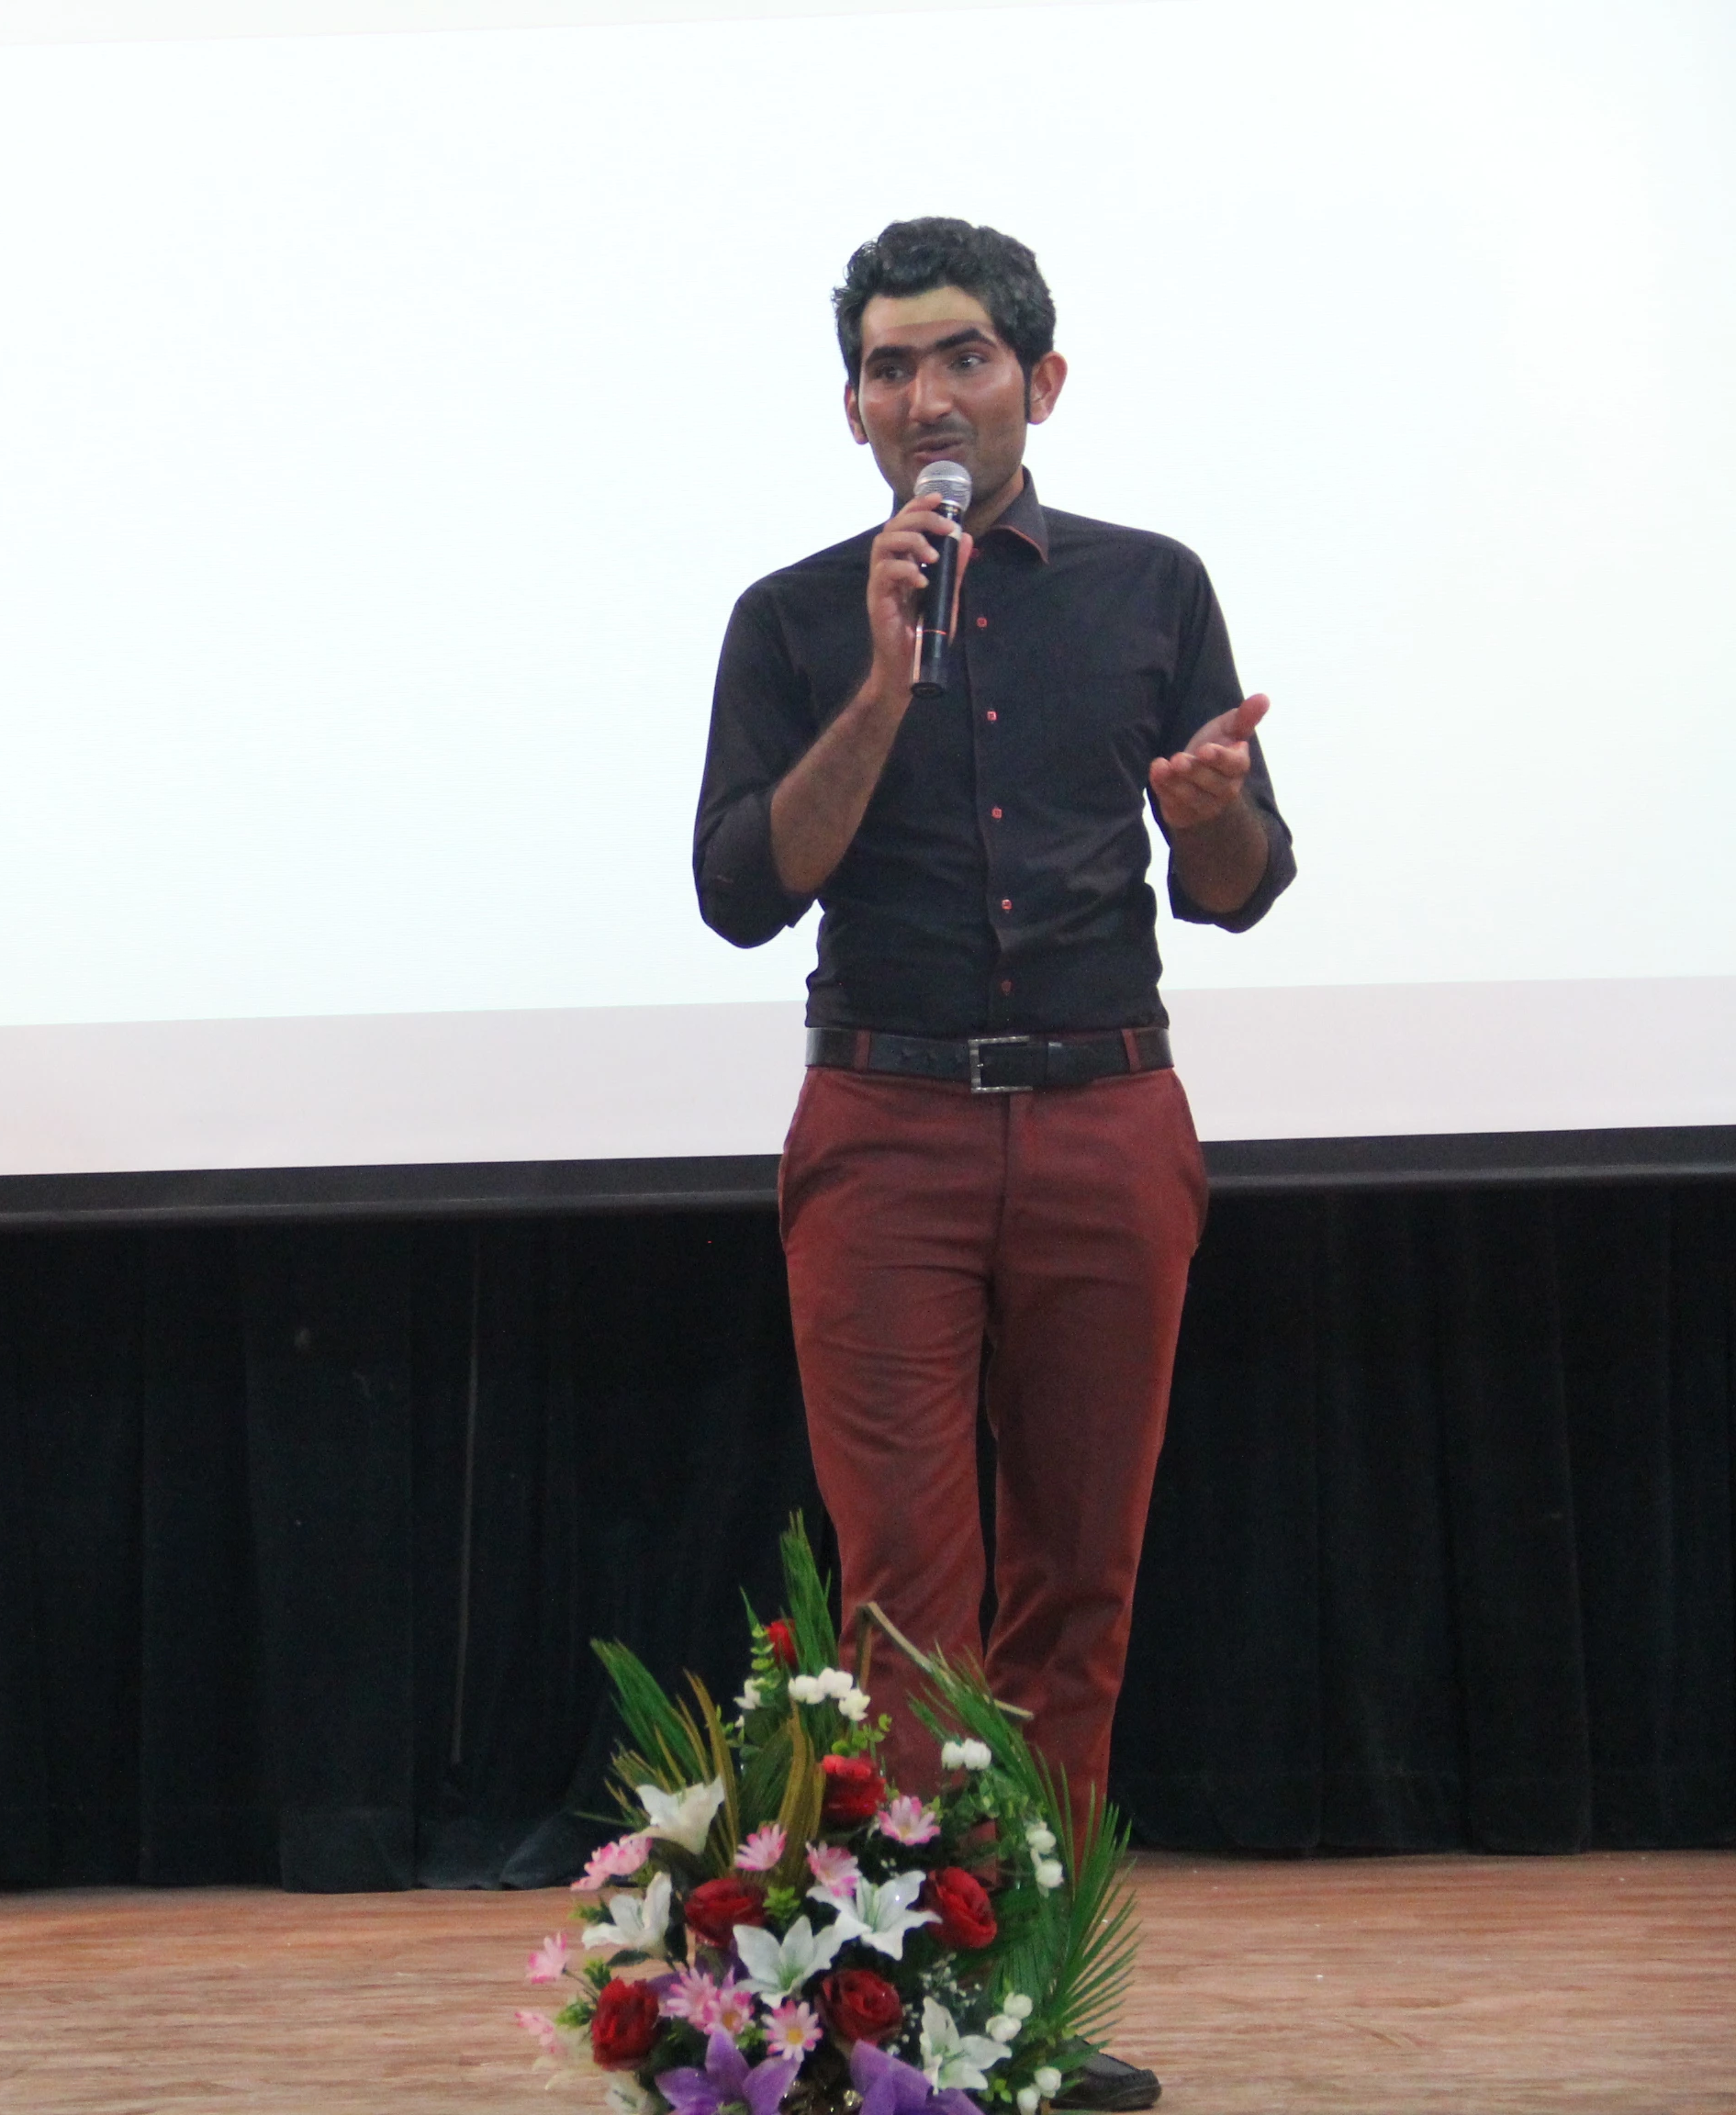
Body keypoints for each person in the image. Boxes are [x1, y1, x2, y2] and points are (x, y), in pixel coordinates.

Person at [692, 221, 1294, 2112]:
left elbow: (1243, 887)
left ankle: (1023, 2007)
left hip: (1108, 1118)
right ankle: (911, 2019)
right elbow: (740, 891)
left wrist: (1206, 820)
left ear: (1041, 382)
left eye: (961, 358)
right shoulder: (797, 621)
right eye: (889, 367)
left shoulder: (1151, 586)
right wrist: (884, 682)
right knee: (905, 1608)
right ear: (854, 409)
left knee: (1078, 1591)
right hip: (887, 1132)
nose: (926, 396)